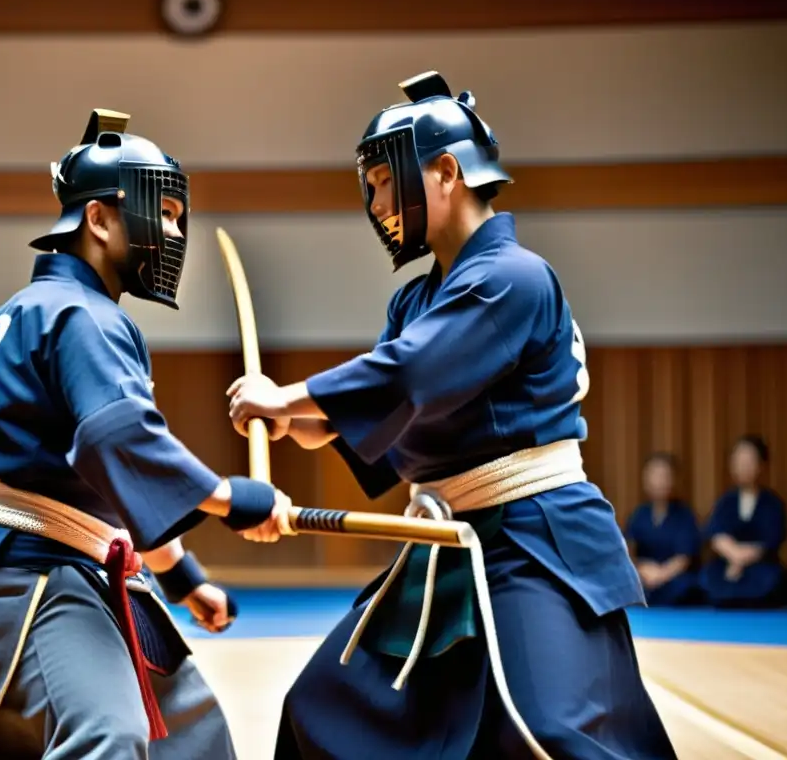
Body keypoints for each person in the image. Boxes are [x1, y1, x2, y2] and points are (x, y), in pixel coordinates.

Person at [227, 71, 677, 759]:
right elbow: (382, 413)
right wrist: (293, 421)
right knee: (320, 708)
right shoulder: (415, 302)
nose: (374, 201)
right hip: (444, 549)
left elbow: (410, 374)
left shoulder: (515, 277)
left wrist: (286, 398)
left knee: (552, 733)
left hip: (532, 543)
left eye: (382, 180)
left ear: (445, 171)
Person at [0, 109, 292, 760]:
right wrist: (232, 498)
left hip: (27, 566)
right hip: (27, 579)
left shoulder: (36, 310)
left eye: (176, 215)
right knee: (109, 739)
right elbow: (117, 443)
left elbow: (101, 483)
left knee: (189, 734)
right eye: (160, 212)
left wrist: (183, 577)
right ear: (101, 218)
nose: (172, 232)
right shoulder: (81, 316)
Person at [700, 434, 787, 608]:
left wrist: (740, 559)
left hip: (759, 566)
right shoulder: (726, 501)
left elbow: (770, 541)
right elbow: (716, 535)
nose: (743, 466)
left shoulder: (772, 502)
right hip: (727, 564)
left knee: (772, 580)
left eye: (749, 461)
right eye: (739, 461)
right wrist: (733, 556)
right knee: (707, 578)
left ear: (761, 465)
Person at [626, 452, 702, 606]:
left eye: (664, 476)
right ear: (645, 480)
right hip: (645, 574)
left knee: (685, 587)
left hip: (672, 576)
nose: (659, 482)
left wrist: (661, 574)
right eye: (655, 476)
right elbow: (627, 548)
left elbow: (684, 557)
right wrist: (642, 569)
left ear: (673, 480)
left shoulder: (684, 514)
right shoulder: (640, 514)